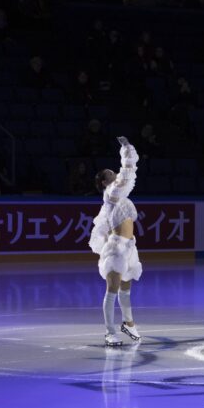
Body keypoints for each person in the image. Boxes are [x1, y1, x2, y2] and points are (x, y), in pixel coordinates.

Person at [89, 138, 143, 347]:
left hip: (130, 247)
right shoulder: (112, 193)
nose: (114, 173)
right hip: (116, 249)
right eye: (110, 173)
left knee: (126, 289)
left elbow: (127, 175)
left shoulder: (119, 196)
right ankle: (110, 332)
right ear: (104, 182)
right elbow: (128, 174)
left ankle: (128, 324)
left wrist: (128, 151)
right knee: (112, 290)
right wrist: (127, 149)